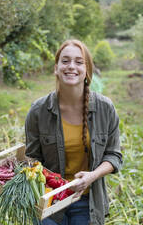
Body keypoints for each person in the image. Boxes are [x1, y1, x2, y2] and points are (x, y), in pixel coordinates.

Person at [25, 39, 123, 225]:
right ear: (56, 68)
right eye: (65, 61)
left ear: (87, 70)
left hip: (87, 200)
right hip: (49, 200)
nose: (71, 66)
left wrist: (91, 176)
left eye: (79, 62)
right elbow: (31, 157)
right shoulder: (38, 111)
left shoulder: (105, 108)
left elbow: (114, 155)